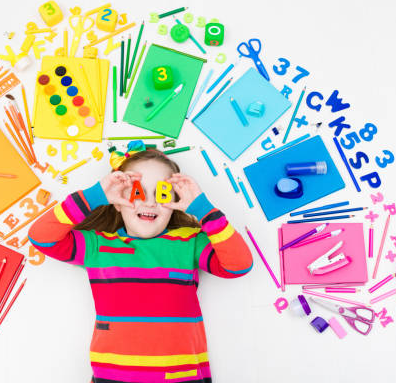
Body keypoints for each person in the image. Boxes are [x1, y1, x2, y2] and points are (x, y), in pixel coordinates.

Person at [28, 141, 253, 383]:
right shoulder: (98, 246)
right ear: (116, 200)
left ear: (175, 201)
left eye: (162, 194)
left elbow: (238, 266)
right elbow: (41, 238)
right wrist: (94, 196)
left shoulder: (189, 243)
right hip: (112, 377)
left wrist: (204, 210)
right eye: (138, 192)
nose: (149, 202)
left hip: (182, 377)